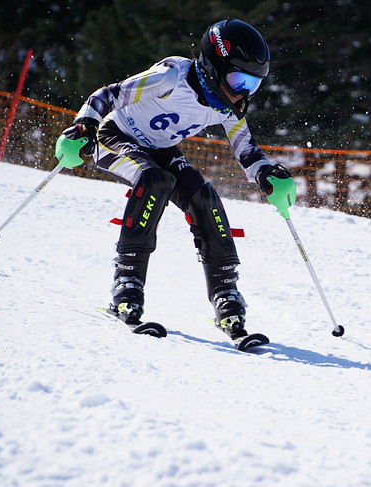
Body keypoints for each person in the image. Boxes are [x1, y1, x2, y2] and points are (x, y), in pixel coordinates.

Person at [55, 19, 296, 342]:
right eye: (239, 80)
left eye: (252, 86)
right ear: (213, 66)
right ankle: (127, 282)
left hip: (159, 147)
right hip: (112, 136)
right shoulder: (171, 78)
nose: (243, 93)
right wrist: (84, 125)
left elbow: (247, 150)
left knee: (203, 197)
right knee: (155, 180)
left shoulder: (228, 108)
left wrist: (267, 173)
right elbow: (107, 95)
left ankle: (226, 294)